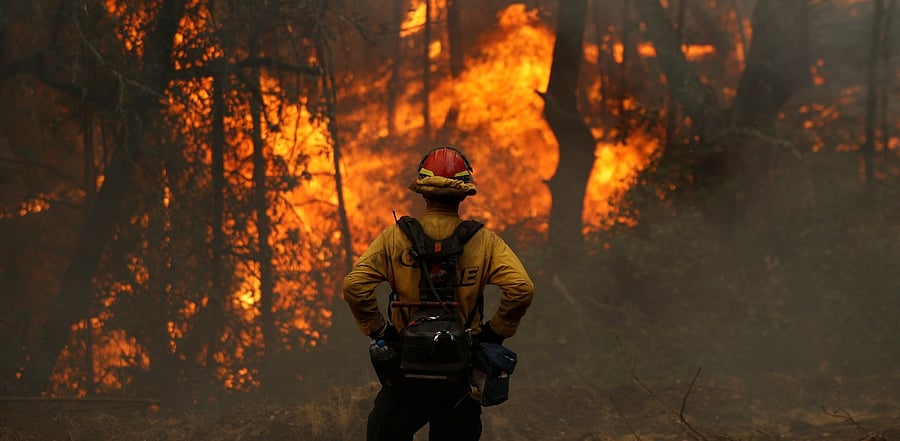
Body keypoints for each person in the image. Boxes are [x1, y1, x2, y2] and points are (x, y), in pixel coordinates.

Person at [342, 146, 535, 441]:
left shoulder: (394, 238)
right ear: (463, 194)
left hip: (405, 372)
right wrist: (494, 334)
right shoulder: (485, 242)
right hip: (460, 375)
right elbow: (521, 289)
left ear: (423, 192)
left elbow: (355, 286)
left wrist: (380, 331)